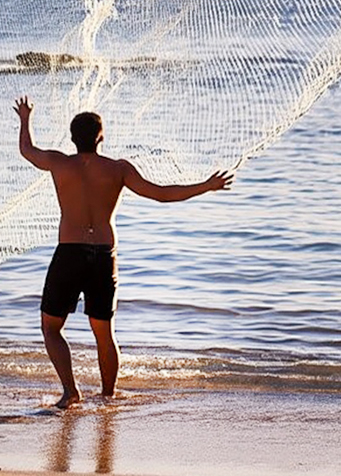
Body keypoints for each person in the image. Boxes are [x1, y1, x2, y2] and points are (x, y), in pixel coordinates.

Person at [14, 96, 232, 408]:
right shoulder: (118, 169)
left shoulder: (59, 163)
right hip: (103, 254)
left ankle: (70, 392)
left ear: (73, 138)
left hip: (70, 253)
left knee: (51, 328)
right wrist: (205, 185)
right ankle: (107, 396)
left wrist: (25, 118)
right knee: (104, 331)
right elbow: (161, 194)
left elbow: (27, 151)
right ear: (101, 137)